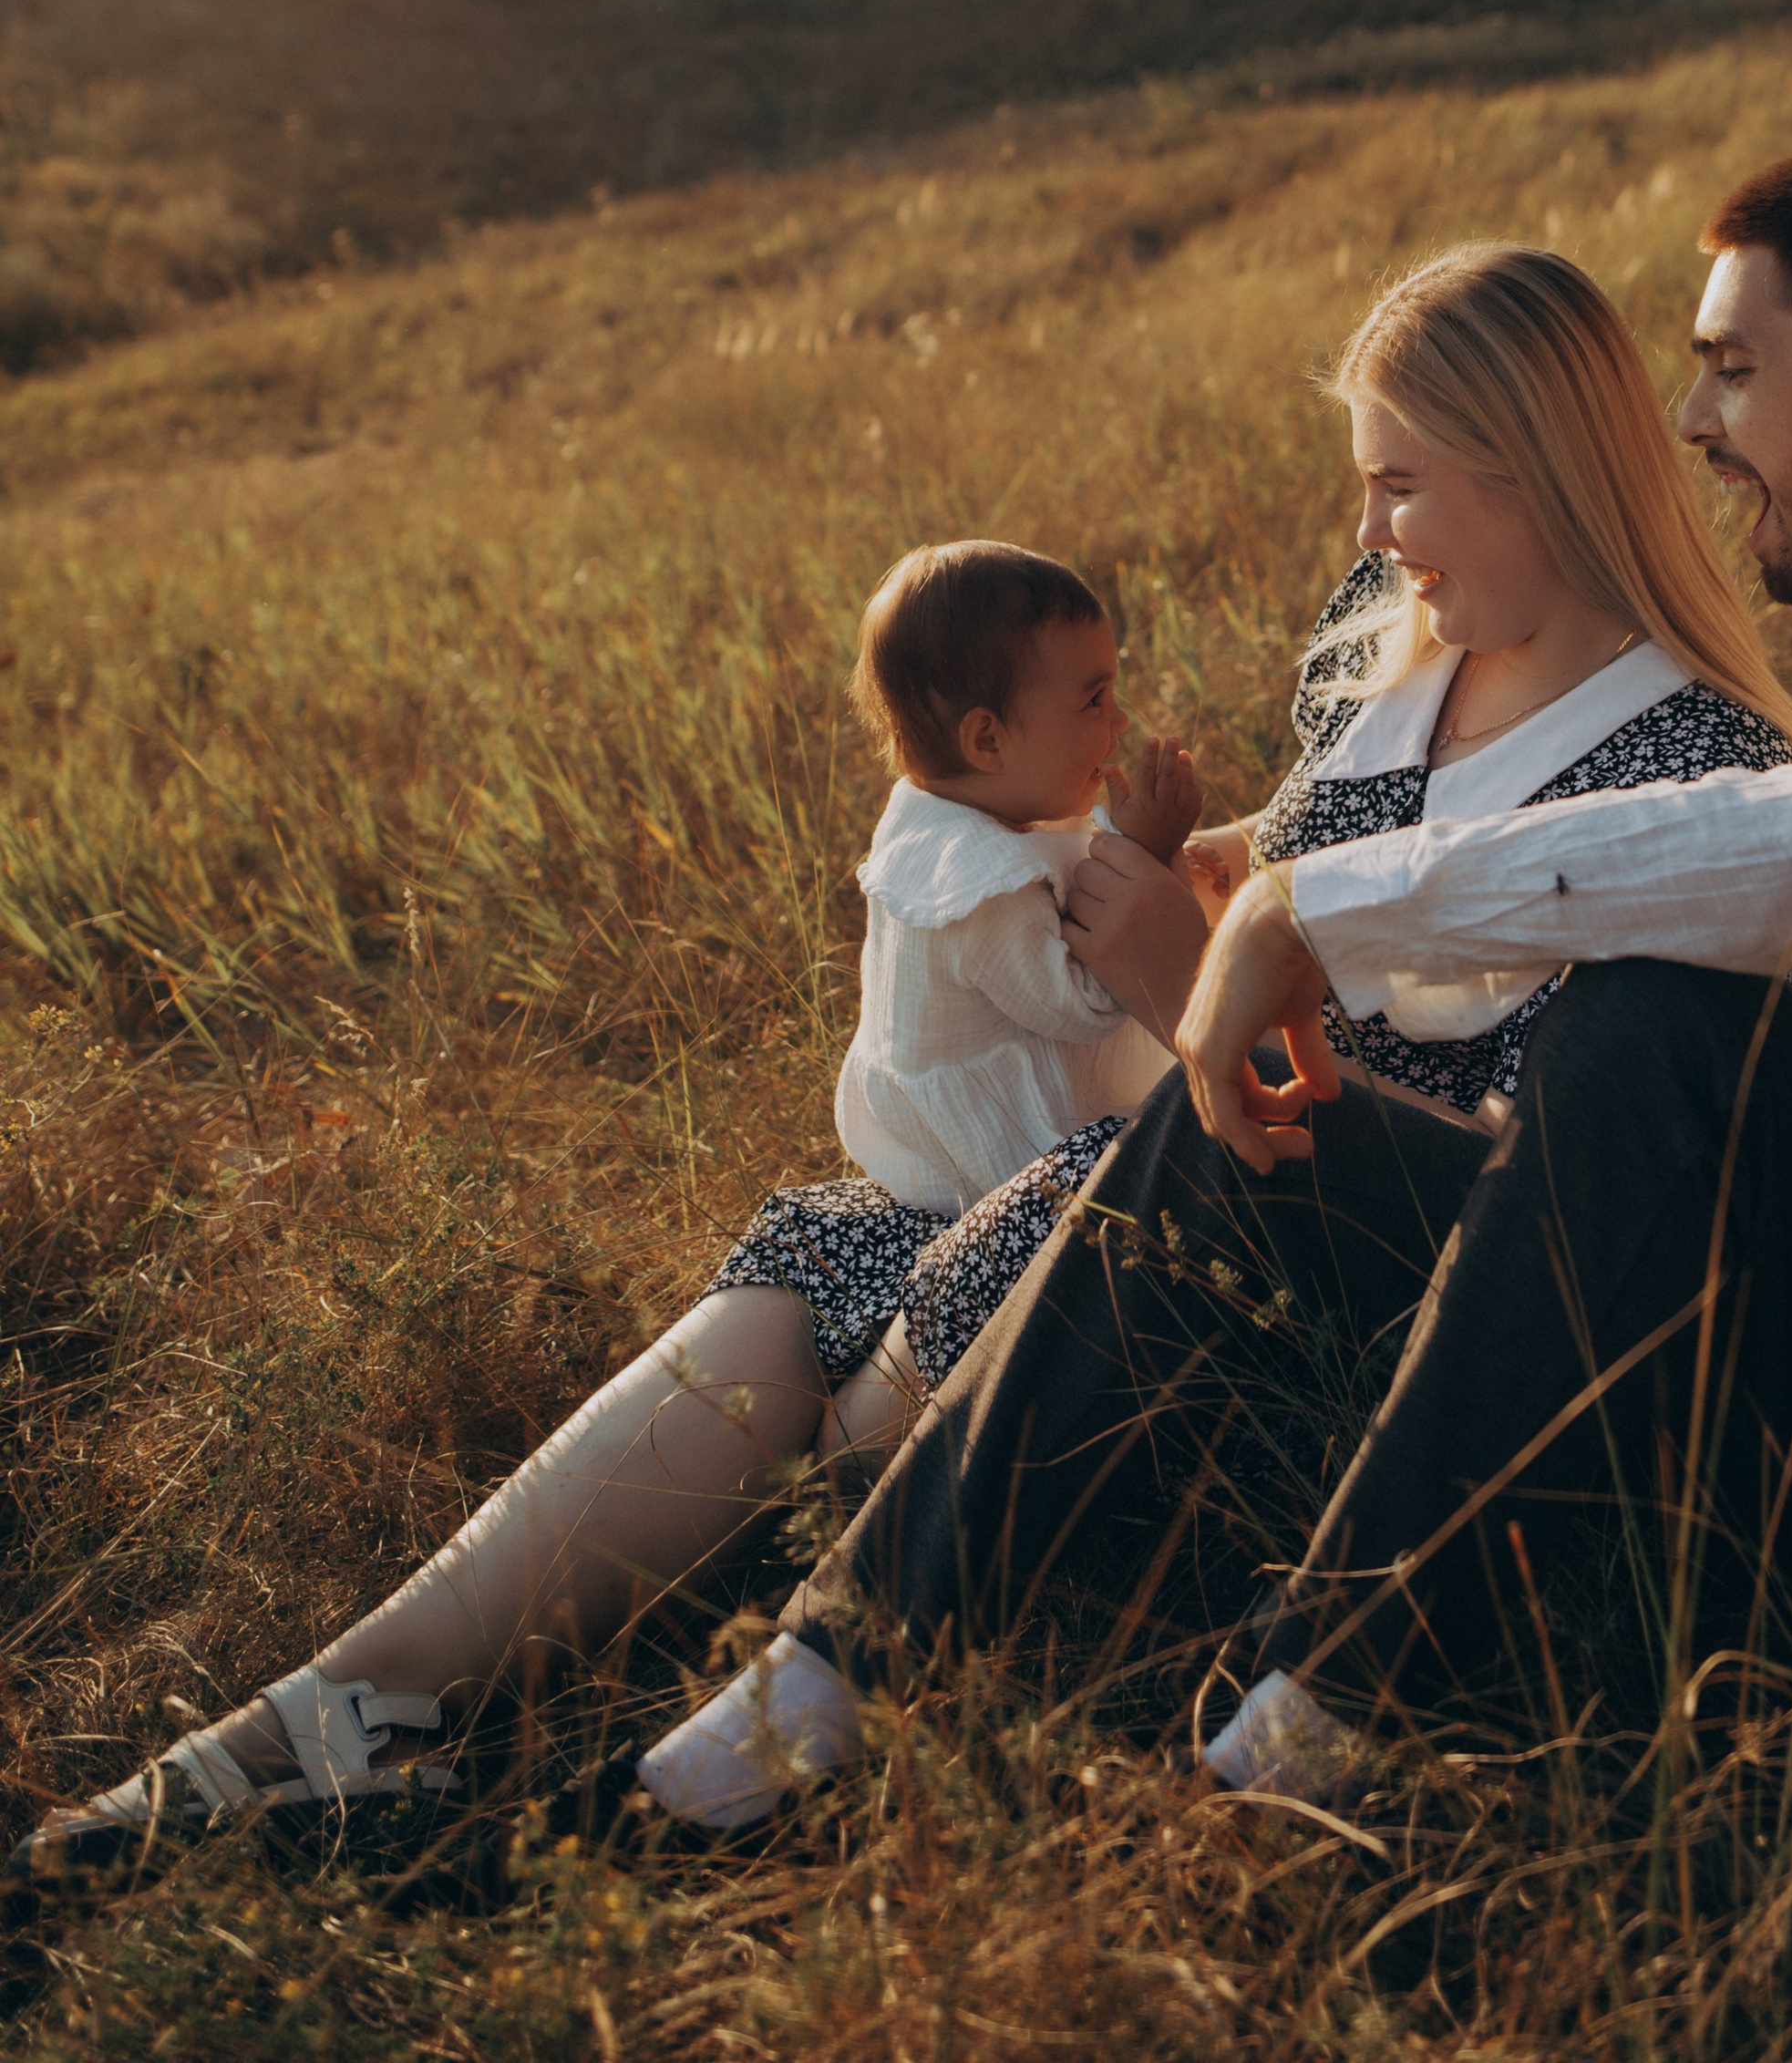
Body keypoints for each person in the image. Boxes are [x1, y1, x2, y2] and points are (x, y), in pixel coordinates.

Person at [711, 142, 1792, 1814]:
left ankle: (1324, 1708)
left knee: (1670, 1005)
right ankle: (830, 1670)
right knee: (1260, 1132)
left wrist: (1305, 912)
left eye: (1733, 370)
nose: (1695, 424)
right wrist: (1274, 876)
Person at [634, 239, 1792, 1825]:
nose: (1368, 531)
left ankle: (758, 1666)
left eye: (1399, 485)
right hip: (1209, 1180)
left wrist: (1193, 982)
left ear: (1533, 469)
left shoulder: (1698, 765)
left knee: (939, 1299)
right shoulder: (1396, 646)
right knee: (816, 1253)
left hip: (1390, 1313)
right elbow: (1347, 853)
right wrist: (1235, 863)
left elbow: (1588, 1197)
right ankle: (345, 1712)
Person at [22, 539, 1197, 1870]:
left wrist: (1176, 899)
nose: (1375, 531)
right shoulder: (985, 850)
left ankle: (634, 1739)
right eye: (1092, 692)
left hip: (1121, 1197)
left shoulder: (1000, 825)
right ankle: (305, 1731)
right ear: (986, 732)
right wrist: (1165, 873)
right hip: (964, 1198)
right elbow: (1091, 960)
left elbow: (1142, 985)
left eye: (1399, 487)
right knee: (790, 1304)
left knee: (855, 1411)